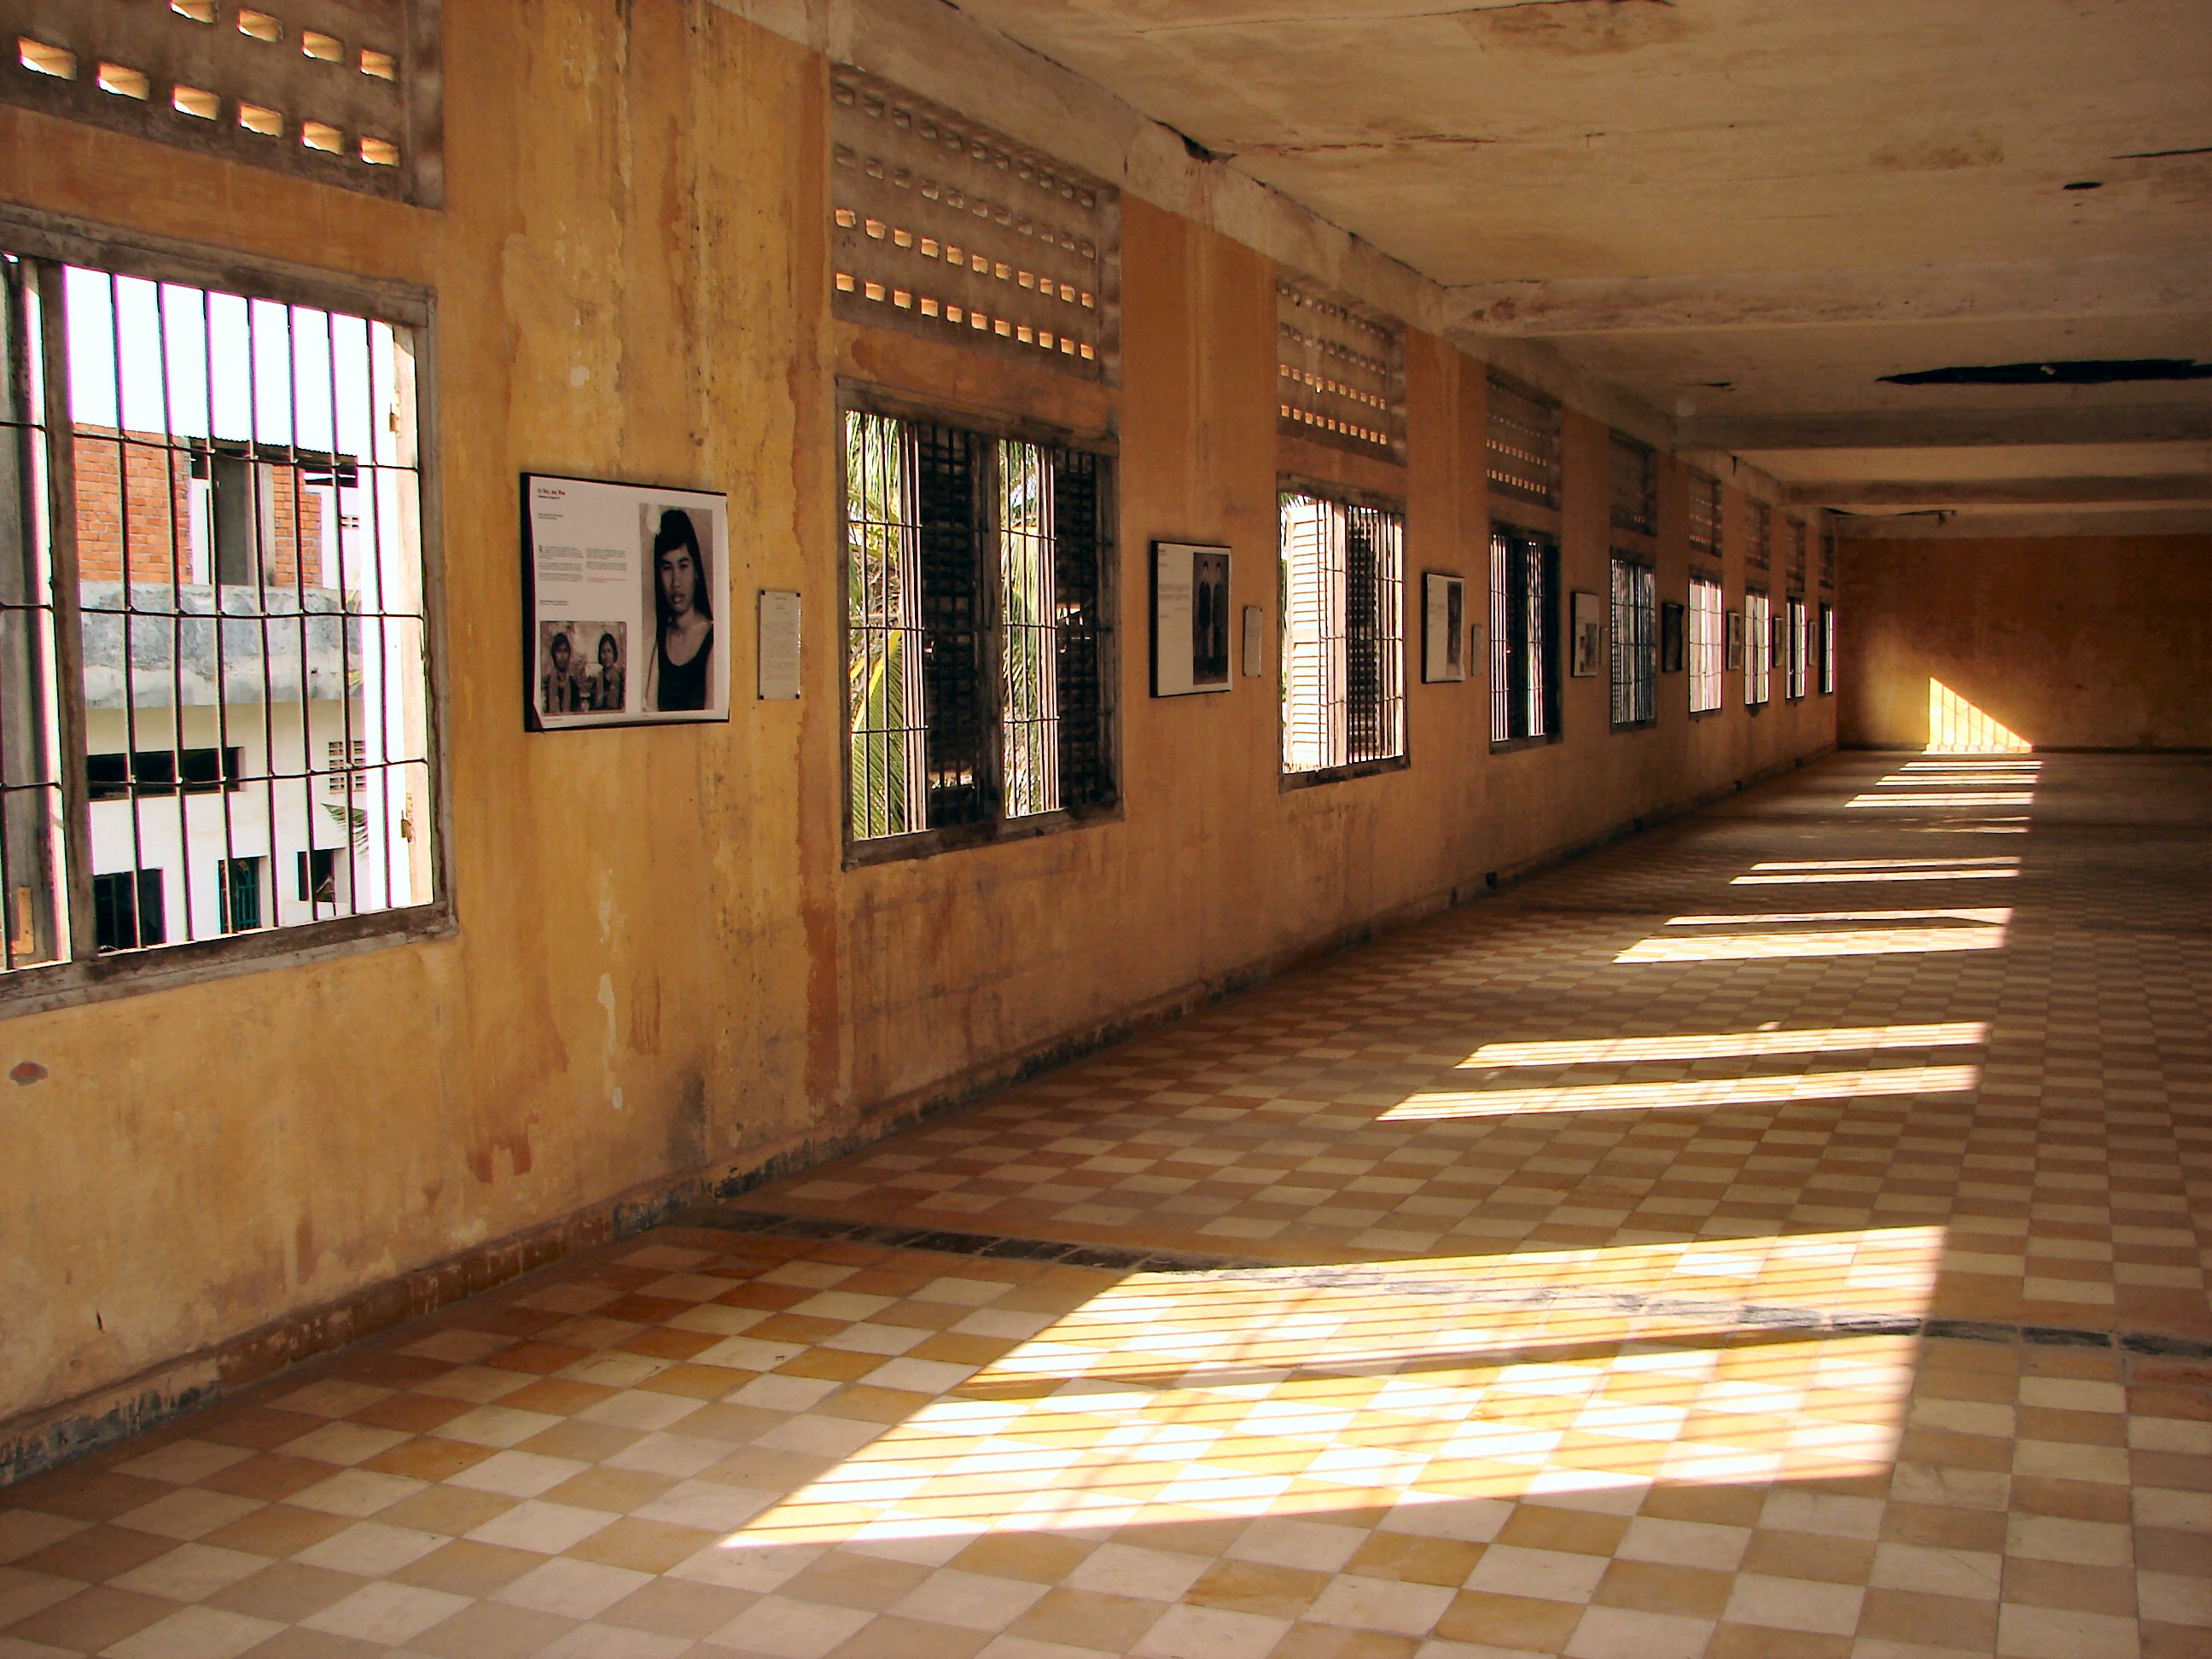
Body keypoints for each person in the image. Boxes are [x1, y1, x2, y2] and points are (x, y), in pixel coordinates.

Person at [643, 509, 713, 711]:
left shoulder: (712, 641)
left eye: (683, 566)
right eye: (667, 568)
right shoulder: (662, 640)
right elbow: (650, 710)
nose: (676, 582)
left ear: (697, 571)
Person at [542, 631, 581, 713]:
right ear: (554, 654)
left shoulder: (574, 686)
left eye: (565, 651)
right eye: (559, 651)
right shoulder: (545, 684)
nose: (562, 656)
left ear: (569, 654)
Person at [592, 631, 625, 711]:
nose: (606, 656)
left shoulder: (621, 678)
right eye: (603, 652)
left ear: (614, 654)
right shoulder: (596, 680)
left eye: (609, 651)